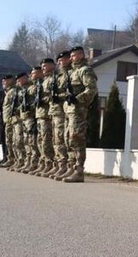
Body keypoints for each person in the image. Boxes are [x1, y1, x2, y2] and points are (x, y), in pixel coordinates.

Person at [59, 46, 98, 183]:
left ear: (81, 55)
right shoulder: (71, 72)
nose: (71, 59)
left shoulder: (85, 71)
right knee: (67, 139)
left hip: (78, 110)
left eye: (74, 56)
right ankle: (71, 167)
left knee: (77, 139)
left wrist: (78, 98)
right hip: (68, 110)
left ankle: (79, 170)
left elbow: (91, 89)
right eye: (71, 56)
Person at [32, 59, 55, 176]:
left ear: (52, 66)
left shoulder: (52, 78)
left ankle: (49, 164)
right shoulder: (43, 81)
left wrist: (43, 99)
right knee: (40, 141)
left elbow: (52, 95)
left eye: (45, 66)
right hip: (40, 114)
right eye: (42, 66)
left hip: (47, 114)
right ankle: (44, 164)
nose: (43, 68)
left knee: (47, 141)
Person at [50, 51, 71, 180]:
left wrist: (60, 96)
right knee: (55, 139)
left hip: (65, 111)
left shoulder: (70, 74)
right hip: (55, 111)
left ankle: (68, 167)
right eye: (58, 61)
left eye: (61, 60)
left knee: (65, 139)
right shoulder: (57, 76)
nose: (59, 63)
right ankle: (58, 165)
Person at [0, 74, 16, 167]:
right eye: (3, 81)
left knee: (12, 139)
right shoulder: (1, 93)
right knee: (4, 139)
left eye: (6, 80)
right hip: (2, 118)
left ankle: (11, 158)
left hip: (11, 119)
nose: (4, 82)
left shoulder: (14, 91)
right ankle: (5, 157)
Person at [9, 73, 27, 171]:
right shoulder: (17, 91)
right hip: (15, 119)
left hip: (22, 119)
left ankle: (23, 161)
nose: (18, 82)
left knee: (21, 141)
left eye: (19, 80)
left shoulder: (27, 89)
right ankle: (18, 160)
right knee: (15, 142)